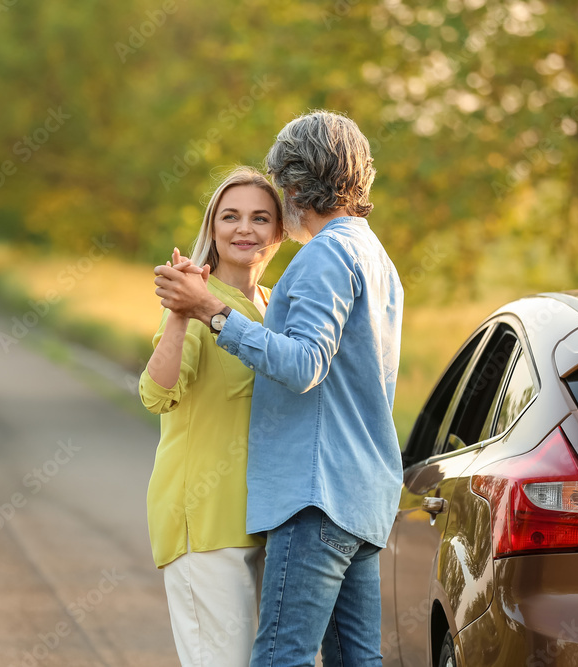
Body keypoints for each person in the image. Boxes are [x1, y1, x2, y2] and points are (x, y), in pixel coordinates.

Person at [154, 111, 403, 667]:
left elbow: (306, 363)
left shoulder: (324, 254)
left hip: (315, 494)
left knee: (280, 658)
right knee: (356, 661)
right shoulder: (377, 257)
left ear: (294, 186)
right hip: (363, 497)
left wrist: (214, 314)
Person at [139, 166, 285, 667]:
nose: (245, 229)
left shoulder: (273, 306)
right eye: (231, 216)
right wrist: (181, 312)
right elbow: (157, 394)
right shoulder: (197, 300)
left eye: (260, 218)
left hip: (267, 520)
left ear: (279, 232)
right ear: (213, 229)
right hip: (203, 523)